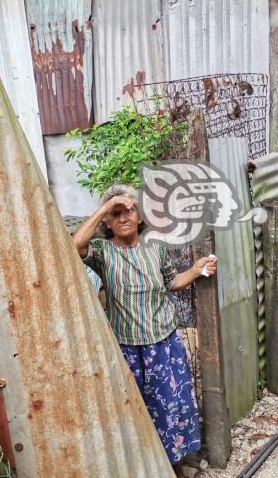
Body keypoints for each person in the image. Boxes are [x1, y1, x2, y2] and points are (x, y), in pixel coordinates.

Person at [73, 184, 216, 470]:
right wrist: (105, 206)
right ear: (107, 222)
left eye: (129, 211)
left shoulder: (155, 247)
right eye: (115, 214)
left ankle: (173, 465)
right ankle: (144, 465)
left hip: (164, 343)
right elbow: (74, 246)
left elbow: (171, 283)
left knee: (169, 405)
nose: (123, 218)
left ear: (140, 217)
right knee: (134, 409)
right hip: (127, 347)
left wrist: (197, 269)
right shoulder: (102, 252)